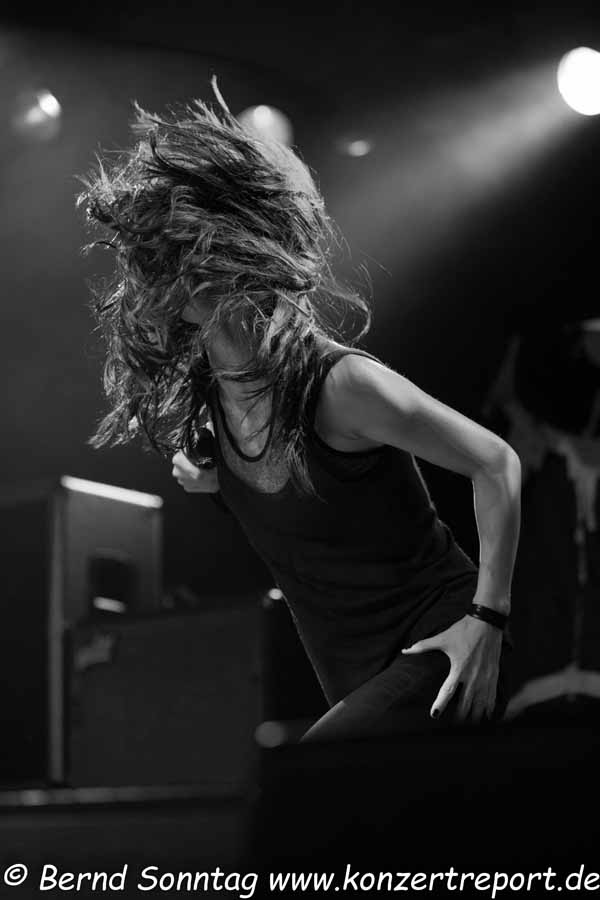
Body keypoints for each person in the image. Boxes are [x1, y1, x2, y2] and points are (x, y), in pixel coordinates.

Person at [76, 79, 521, 742]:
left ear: (238, 256)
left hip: (444, 647)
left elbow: (497, 463)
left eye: (190, 254)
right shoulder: (216, 405)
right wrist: (217, 482)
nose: (171, 276)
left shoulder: (341, 386)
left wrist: (487, 622)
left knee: (303, 786)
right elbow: (297, 508)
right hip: (359, 678)